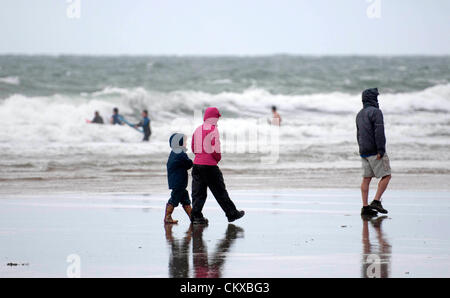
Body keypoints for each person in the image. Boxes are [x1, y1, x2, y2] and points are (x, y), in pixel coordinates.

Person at [190, 107, 245, 225]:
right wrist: (217, 159)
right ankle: (232, 214)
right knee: (220, 192)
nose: (218, 120)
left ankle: (196, 216)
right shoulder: (213, 129)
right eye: (217, 118)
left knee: (198, 192)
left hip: (197, 165)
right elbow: (215, 149)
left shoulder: (198, 129)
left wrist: (199, 157)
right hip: (210, 166)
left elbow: (193, 147)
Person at [356, 88, 392, 217]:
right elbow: (379, 132)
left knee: (366, 179)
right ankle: (376, 201)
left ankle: (365, 208)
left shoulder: (359, 114)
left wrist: (361, 149)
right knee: (387, 175)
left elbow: (358, 134)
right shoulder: (376, 112)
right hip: (374, 150)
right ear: (373, 99)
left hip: (363, 151)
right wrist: (381, 149)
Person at [165, 133, 193, 224]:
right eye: (184, 142)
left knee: (185, 200)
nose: (186, 143)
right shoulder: (180, 153)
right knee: (174, 199)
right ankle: (167, 217)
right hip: (178, 182)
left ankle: (193, 218)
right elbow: (188, 163)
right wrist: (194, 162)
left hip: (177, 181)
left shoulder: (174, 152)